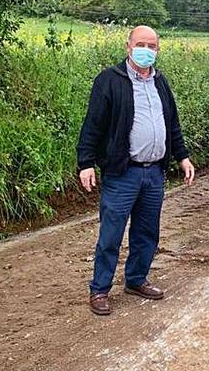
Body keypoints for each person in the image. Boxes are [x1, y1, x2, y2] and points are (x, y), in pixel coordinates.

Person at [77, 25, 195, 316]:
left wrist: (183, 157)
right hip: (122, 173)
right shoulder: (109, 80)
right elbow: (93, 124)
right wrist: (85, 163)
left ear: (157, 50)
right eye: (141, 44)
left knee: (147, 232)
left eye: (152, 46)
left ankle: (136, 279)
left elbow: (172, 125)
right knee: (111, 234)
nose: (146, 50)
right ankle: (100, 289)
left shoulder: (160, 83)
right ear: (128, 47)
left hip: (154, 173)